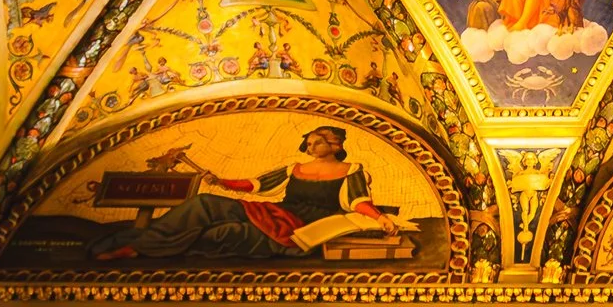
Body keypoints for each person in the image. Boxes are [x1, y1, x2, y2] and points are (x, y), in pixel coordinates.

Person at [107, 126, 404, 263]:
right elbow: (255, 184)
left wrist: (382, 220)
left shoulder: (352, 169)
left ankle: (148, 250)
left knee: (226, 233)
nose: (311, 147)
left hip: (305, 230)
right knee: (204, 203)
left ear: (335, 145)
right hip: (276, 215)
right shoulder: (295, 168)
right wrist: (220, 181)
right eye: (309, 143)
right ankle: (140, 246)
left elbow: (358, 201)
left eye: (317, 142)